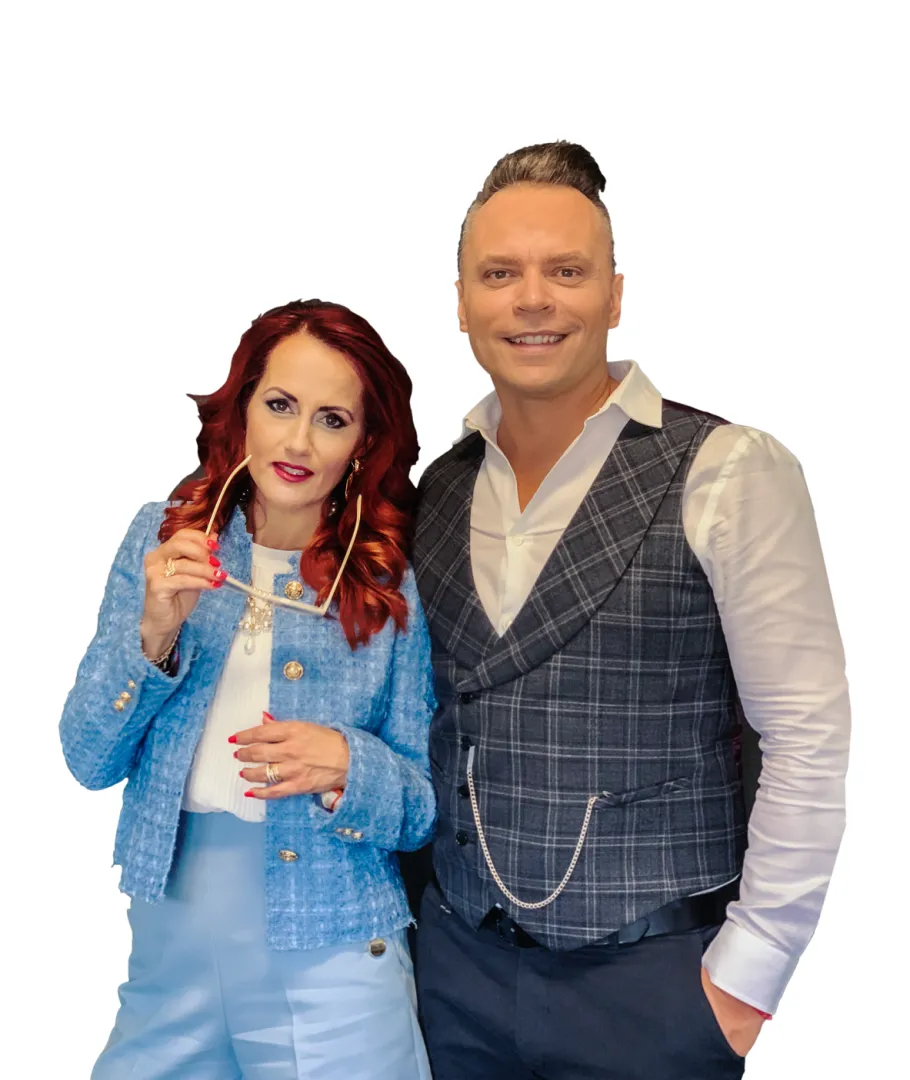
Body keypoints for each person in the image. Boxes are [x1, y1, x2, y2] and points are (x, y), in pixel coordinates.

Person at [410, 142, 850, 1079]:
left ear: (614, 296)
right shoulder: (435, 489)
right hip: (451, 976)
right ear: (461, 303)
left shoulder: (730, 469)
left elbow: (805, 734)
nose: (532, 299)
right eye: (500, 274)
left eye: (566, 272)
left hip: (654, 989)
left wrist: (746, 980)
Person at [59, 299, 435, 1080]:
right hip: (172, 949)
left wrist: (350, 764)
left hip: (336, 961)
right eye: (280, 405)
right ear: (243, 410)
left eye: (332, 420)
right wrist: (153, 632)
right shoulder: (164, 539)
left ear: (364, 443)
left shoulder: (388, 578)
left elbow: (423, 805)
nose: (298, 442)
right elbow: (87, 757)